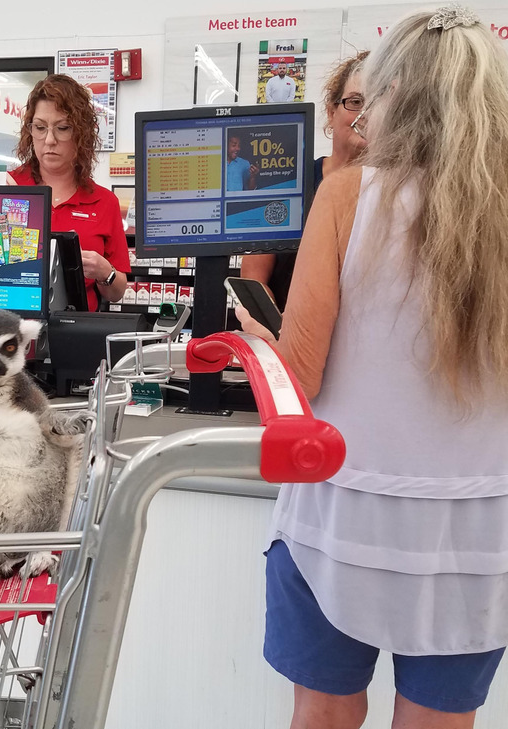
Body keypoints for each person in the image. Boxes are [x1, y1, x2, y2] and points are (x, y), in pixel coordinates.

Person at [238, 5, 508, 728]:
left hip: (342, 513)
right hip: (482, 531)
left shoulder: (349, 195)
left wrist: (258, 334)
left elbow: (300, 378)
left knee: (323, 714)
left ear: (394, 98)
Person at [241, 51, 369, 310]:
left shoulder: (396, 192)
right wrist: (276, 332)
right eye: (355, 101)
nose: (366, 113)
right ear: (331, 112)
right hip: (286, 339)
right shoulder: (287, 183)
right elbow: (254, 277)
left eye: (378, 103)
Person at [8, 74, 130, 311]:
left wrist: (105, 273)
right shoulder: (8, 187)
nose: (49, 140)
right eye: (40, 128)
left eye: (62, 128)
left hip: (74, 333)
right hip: (12, 328)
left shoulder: (104, 202)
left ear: (81, 133)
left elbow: (116, 293)